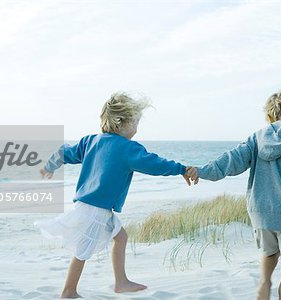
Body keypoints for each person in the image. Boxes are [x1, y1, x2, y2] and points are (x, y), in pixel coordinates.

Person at [35, 92, 192, 298]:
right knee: (82, 251)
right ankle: (68, 291)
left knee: (121, 237)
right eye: (136, 122)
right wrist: (181, 169)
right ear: (122, 122)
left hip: (92, 206)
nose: (137, 128)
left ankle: (121, 282)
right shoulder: (128, 149)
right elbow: (154, 164)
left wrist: (49, 166)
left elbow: (65, 152)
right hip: (95, 210)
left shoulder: (90, 141)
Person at [186, 90, 281, 300]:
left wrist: (201, 171)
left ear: (269, 117)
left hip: (260, 214)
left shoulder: (257, 139)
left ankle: (263, 285)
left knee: (269, 253)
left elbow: (230, 162)